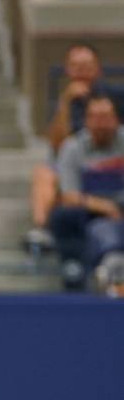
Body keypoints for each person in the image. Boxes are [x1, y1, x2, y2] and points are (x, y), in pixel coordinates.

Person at [26, 44, 124, 251]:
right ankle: (42, 231)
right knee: (43, 173)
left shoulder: (116, 96)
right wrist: (65, 102)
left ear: (98, 68)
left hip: (113, 163)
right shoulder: (67, 101)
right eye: (76, 66)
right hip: (76, 163)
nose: (81, 71)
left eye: (87, 65)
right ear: (67, 70)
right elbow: (56, 145)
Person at [47, 94, 124, 287]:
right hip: (88, 210)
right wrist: (105, 207)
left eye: (106, 117)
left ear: (117, 119)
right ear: (86, 120)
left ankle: (113, 266)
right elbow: (69, 195)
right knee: (63, 215)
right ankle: (76, 274)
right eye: (95, 117)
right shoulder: (72, 147)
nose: (101, 123)